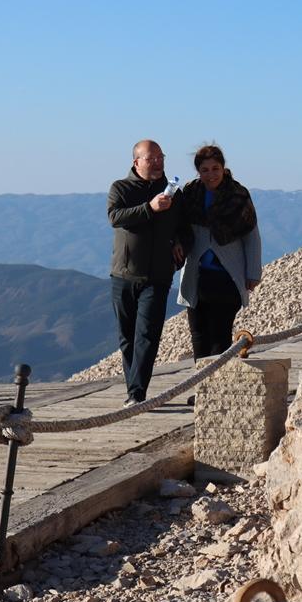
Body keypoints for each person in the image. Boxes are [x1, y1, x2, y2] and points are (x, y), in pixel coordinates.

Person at [108, 139, 189, 405]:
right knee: (127, 337)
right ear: (136, 162)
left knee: (147, 334)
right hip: (123, 275)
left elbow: (186, 228)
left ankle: (137, 393)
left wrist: (180, 243)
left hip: (158, 276)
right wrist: (149, 208)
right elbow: (116, 217)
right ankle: (133, 389)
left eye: (161, 157)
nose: (158, 162)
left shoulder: (175, 193)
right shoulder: (121, 188)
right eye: (151, 158)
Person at [178, 144, 262, 359]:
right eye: (205, 170)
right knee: (198, 333)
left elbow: (251, 235)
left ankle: (212, 386)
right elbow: (179, 226)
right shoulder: (190, 193)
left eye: (215, 168)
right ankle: (200, 387)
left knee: (219, 335)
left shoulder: (238, 195)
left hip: (227, 275)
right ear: (199, 171)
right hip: (196, 274)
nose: (211, 174)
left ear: (223, 168)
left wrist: (253, 272)